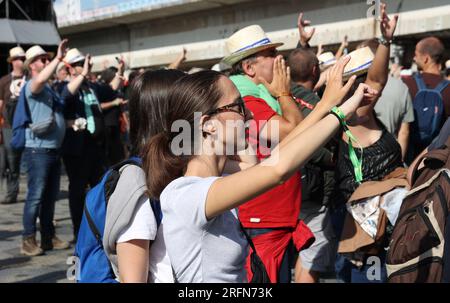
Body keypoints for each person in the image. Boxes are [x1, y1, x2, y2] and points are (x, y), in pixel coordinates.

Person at [144, 54, 377, 282]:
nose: (250, 114)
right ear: (208, 125)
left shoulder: (222, 174)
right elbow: (278, 170)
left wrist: (328, 104)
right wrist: (339, 112)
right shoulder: (187, 193)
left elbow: (278, 155)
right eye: (238, 106)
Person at [223, 23, 306, 283]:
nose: (278, 59)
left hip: (275, 217)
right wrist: (283, 93)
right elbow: (293, 131)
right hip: (261, 221)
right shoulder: (247, 101)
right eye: (270, 55)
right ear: (249, 68)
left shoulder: (260, 96)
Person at [331, 4, 401, 283]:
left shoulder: (368, 111)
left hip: (384, 221)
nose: (371, 89)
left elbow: (377, 79)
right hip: (361, 226)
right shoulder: (352, 114)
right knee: (369, 279)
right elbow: (377, 79)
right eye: (361, 81)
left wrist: (386, 40)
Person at [102, 69, 186, 282]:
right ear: (172, 115)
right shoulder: (137, 183)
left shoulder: (183, 168)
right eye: (192, 103)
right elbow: (133, 279)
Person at [288, 47, 338, 283]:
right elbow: (310, 143)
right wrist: (333, 159)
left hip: (285, 188)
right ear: (315, 70)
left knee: (303, 254)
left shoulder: (282, 96)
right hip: (312, 191)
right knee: (313, 256)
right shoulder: (314, 104)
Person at [21, 40, 70, 256]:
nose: (46, 61)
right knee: (36, 196)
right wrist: (59, 58)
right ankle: (28, 240)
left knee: (49, 197)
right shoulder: (32, 85)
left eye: (47, 58)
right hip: (38, 151)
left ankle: (48, 237)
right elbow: (40, 79)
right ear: (32, 64)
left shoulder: (48, 87)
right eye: (42, 59)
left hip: (51, 149)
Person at [60, 48, 106, 242]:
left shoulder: (90, 87)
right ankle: (78, 230)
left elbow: (110, 90)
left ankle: (97, 227)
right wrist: (82, 74)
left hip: (94, 144)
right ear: (70, 68)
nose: (82, 67)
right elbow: (66, 95)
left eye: (83, 63)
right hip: (76, 146)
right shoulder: (63, 85)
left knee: (98, 188)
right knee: (78, 190)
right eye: (78, 64)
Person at [356, 40, 415, 162]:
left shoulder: (355, 89)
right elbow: (404, 132)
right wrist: (399, 162)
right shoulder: (402, 87)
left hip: (360, 160)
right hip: (390, 157)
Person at [402, 37, 450, 162]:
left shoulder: (407, 83)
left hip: (409, 154)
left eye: (416, 54)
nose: (413, 58)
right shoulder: (448, 88)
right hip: (436, 157)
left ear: (426, 58)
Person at [0, 46, 26, 204]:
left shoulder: (30, 79)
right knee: (11, 160)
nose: (21, 61)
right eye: (18, 59)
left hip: (26, 125)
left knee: (26, 161)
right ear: (12, 61)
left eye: (23, 58)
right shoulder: (4, 81)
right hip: (9, 126)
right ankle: (12, 193)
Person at [97, 64, 127, 166]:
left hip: (116, 126)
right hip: (107, 126)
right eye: (118, 76)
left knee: (119, 156)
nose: (121, 78)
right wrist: (114, 103)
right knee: (111, 158)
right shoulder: (103, 88)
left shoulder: (117, 90)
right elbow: (99, 105)